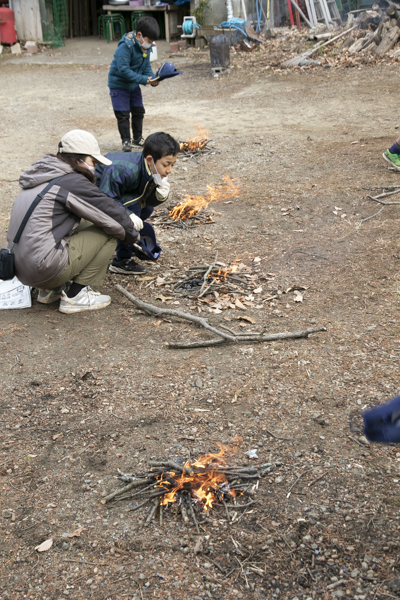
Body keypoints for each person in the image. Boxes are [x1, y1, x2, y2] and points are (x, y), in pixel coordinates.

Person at [6, 129, 140, 314]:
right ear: (79, 159)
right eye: (93, 161)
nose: (95, 167)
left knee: (79, 222)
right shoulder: (71, 182)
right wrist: (133, 236)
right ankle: (77, 296)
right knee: (110, 231)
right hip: (42, 268)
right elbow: (110, 214)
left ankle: (47, 292)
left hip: (19, 267)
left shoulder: (42, 175)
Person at [96, 131, 180, 275]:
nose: (169, 170)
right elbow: (105, 197)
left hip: (115, 192)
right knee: (134, 210)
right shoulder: (125, 170)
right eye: (166, 164)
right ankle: (122, 260)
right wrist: (128, 214)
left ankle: (124, 242)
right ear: (150, 159)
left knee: (146, 209)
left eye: (173, 164)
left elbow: (145, 199)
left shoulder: (152, 169)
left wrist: (159, 196)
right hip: (96, 192)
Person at [108, 16, 160, 152]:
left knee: (138, 110)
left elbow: (146, 65)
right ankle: (126, 140)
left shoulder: (144, 48)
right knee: (123, 114)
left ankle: (137, 138)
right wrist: (144, 80)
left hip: (133, 85)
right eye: (149, 41)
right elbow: (123, 70)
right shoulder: (126, 46)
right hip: (119, 85)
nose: (150, 44)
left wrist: (153, 79)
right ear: (139, 35)